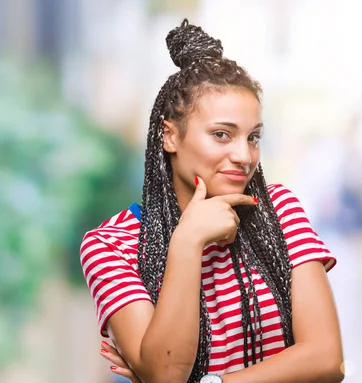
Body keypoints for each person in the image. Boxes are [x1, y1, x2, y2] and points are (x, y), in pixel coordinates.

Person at [79, 19, 344, 383]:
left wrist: (212, 382)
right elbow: (166, 374)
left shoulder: (279, 210)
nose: (244, 156)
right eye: (222, 135)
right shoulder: (111, 245)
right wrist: (188, 241)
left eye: (253, 137)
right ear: (169, 136)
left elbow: (326, 359)